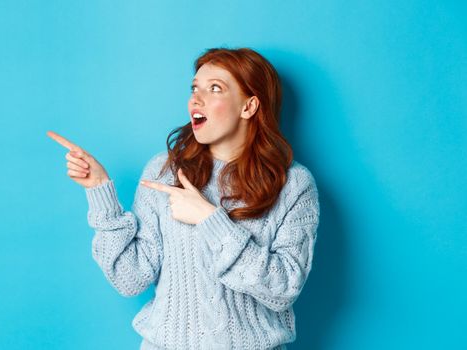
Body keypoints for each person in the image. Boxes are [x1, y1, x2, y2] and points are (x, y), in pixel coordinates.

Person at [47, 47, 320, 350]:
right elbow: (130, 279)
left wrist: (210, 219)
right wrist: (99, 191)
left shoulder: (293, 184)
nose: (196, 99)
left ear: (249, 106)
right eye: (194, 88)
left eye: (214, 88)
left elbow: (282, 290)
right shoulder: (164, 171)